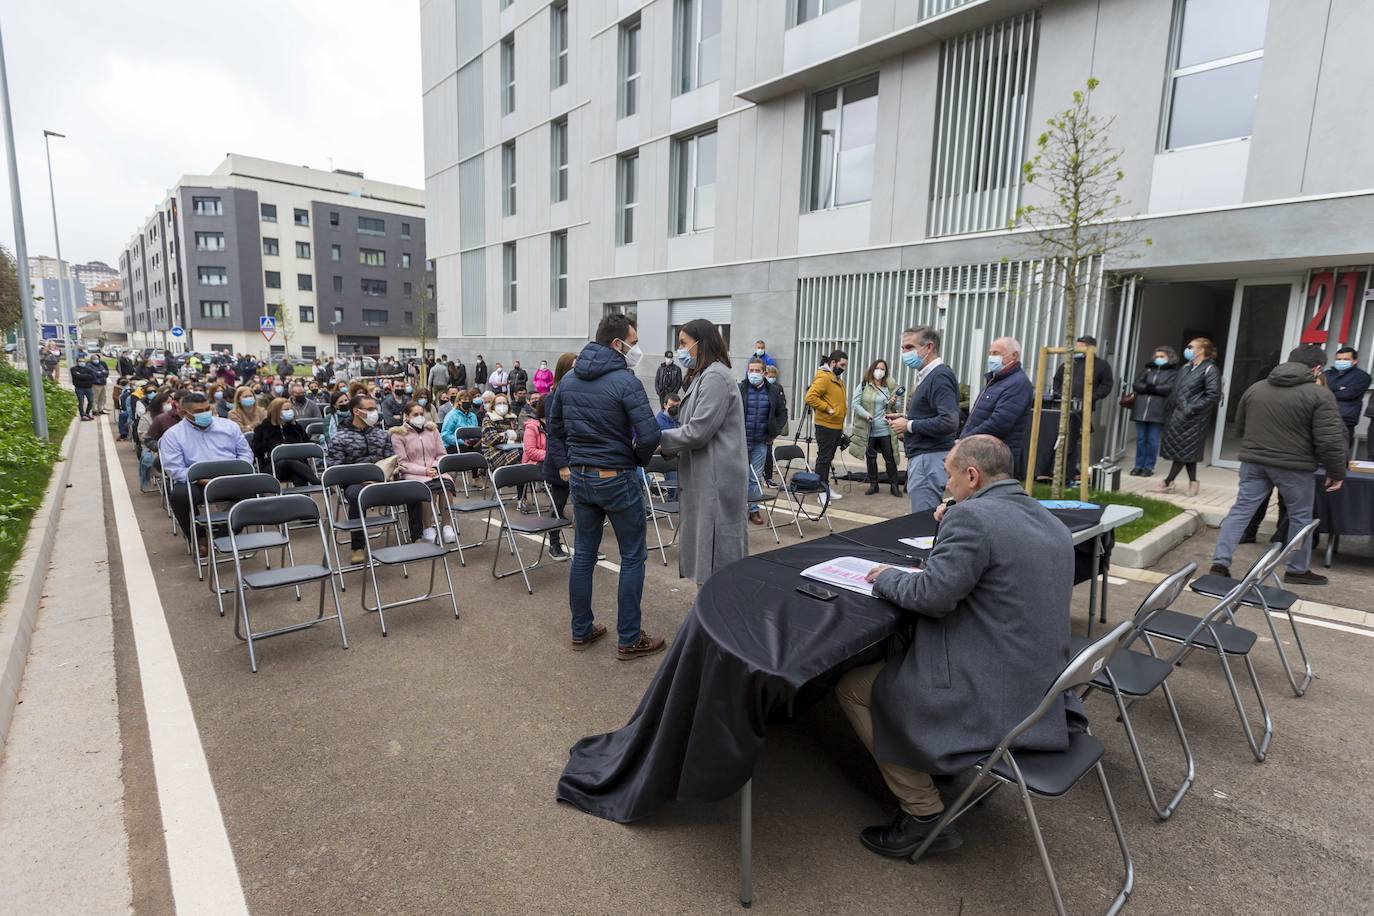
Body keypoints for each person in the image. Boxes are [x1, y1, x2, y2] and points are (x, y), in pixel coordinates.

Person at [839, 436, 1078, 857]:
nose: (945, 484)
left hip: (992, 689)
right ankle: (933, 759)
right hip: (1042, 685)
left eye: (949, 474)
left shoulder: (972, 519)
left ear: (972, 475)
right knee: (901, 655)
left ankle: (922, 814)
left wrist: (884, 576)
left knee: (855, 687)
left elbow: (933, 596)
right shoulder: (1048, 520)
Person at [548, 313, 664, 659]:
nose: (636, 347)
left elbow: (555, 431)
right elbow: (650, 435)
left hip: (581, 478)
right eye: (634, 340)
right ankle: (629, 638)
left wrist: (570, 461)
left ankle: (581, 629)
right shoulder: (626, 382)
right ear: (618, 344)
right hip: (616, 476)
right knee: (632, 556)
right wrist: (635, 460)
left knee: (583, 554)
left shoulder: (568, 381)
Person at [1209, 345, 1346, 586]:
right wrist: (1336, 471)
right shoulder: (1320, 395)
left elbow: (1240, 425)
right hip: (1295, 466)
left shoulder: (1257, 388)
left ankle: (1219, 564)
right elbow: (1329, 440)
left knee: (1241, 510)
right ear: (1317, 369)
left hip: (1254, 462)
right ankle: (1296, 569)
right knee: (1301, 517)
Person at [660, 320, 750, 579]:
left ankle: (716, 613)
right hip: (706, 475)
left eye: (683, 343)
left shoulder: (715, 377)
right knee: (708, 551)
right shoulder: (704, 376)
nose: (680, 350)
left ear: (701, 343)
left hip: (716, 477)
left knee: (716, 555)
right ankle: (709, 611)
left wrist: (661, 440)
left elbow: (699, 430)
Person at [158, 393, 253, 549]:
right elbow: (175, 469)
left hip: (231, 479)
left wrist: (237, 473)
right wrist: (201, 480)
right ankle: (198, 537)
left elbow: (245, 454)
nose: (205, 414)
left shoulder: (228, 426)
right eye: (198, 411)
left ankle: (224, 535)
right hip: (200, 483)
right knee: (178, 495)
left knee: (254, 489)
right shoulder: (173, 436)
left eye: (207, 409)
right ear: (183, 413)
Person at [326, 394, 408, 564]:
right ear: (356, 411)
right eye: (370, 410)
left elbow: (391, 459)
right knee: (357, 496)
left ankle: (417, 537)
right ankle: (357, 547)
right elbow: (336, 470)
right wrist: (364, 480)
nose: (374, 413)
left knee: (413, 488)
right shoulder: (340, 438)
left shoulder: (381, 435)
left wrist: (391, 473)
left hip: (382, 479)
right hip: (356, 483)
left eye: (375, 409)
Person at [887, 326, 960, 512]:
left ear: (928, 347)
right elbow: (932, 413)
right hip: (924, 457)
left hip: (929, 459)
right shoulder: (928, 376)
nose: (904, 353)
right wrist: (906, 418)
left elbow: (949, 421)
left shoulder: (939, 376)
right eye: (903, 348)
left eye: (909, 347)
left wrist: (909, 425)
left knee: (922, 522)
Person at [1154, 337, 1222, 496]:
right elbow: (1176, 391)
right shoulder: (1186, 367)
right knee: (1185, 450)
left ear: (1201, 350)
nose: (1188, 349)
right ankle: (1193, 482)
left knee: (1183, 450)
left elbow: (1213, 395)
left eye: (1191, 347)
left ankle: (1168, 482)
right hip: (1177, 416)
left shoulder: (1210, 369)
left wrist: (1190, 409)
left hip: (1193, 418)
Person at [960, 336, 1034, 481]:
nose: (991, 357)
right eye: (990, 353)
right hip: (982, 454)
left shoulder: (1017, 384)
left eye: (996, 353)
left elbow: (1000, 422)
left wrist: (966, 440)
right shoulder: (997, 380)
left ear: (1014, 356)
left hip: (997, 459)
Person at [391, 400, 456, 544]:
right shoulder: (398, 435)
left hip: (435, 469)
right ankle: (427, 527)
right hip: (413, 473)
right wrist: (424, 471)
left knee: (447, 486)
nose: (420, 416)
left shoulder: (432, 430)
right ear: (406, 416)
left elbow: (441, 454)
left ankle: (446, 525)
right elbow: (402, 462)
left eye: (422, 414)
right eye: (415, 414)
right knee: (429, 489)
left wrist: (436, 466)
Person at [738, 357, 786, 524]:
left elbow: (782, 413)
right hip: (741, 443)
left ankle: (754, 510)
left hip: (761, 442)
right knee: (740, 476)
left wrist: (775, 432)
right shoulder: (741, 388)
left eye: (757, 370)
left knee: (754, 477)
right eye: (751, 370)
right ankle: (738, 510)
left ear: (764, 373)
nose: (754, 373)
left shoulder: (773, 391)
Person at [539, 352, 577, 560]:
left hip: (578, 460)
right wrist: (563, 465)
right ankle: (554, 544)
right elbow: (554, 436)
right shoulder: (554, 396)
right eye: (573, 367)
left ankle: (584, 548)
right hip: (560, 463)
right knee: (558, 505)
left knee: (583, 508)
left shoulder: (577, 395)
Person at [849, 358, 901, 497]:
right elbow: (855, 403)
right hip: (869, 429)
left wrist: (894, 402)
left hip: (885, 428)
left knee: (889, 457)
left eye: (883, 369)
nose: (880, 371)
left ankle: (894, 485)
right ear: (872, 369)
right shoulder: (864, 385)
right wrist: (866, 415)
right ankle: (873, 484)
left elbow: (898, 407)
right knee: (870, 458)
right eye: (878, 368)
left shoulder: (889, 386)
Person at [804, 349, 849, 504]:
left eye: (845, 366)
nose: (843, 368)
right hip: (826, 426)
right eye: (842, 365)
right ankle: (821, 491)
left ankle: (825, 487)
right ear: (833, 362)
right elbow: (810, 397)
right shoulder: (824, 378)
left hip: (835, 426)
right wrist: (829, 409)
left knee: (828, 458)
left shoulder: (834, 378)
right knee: (823, 459)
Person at [1128, 346, 1179, 477]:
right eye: (1157, 356)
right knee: (1140, 440)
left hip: (1158, 411)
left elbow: (1168, 389)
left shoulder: (1173, 373)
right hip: (1141, 410)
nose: (1158, 359)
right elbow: (1136, 384)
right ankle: (1138, 466)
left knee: (1152, 440)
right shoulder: (1148, 369)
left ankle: (1148, 467)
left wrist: (1148, 388)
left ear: (1169, 357)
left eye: (1162, 356)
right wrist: (1154, 388)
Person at [252, 397, 319, 486]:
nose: (290, 411)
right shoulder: (263, 429)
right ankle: (316, 481)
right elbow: (257, 450)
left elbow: (306, 443)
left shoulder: (296, 427)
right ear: (276, 412)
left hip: (298, 466)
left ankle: (303, 498)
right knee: (287, 460)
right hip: (273, 467)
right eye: (286, 409)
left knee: (298, 475)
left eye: (290, 409)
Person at [1326, 347, 1370, 454]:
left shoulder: (1361, 377)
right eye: (1339, 359)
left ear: (1355, 361)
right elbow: (1317, 391)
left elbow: (1348, 394)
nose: (1341, 362)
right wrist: (1338, 389)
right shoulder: (1327, 374)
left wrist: (1328, 391)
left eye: (1345, 359)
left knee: (1339, 450)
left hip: (1345, 418)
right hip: (1324, 415)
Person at [480, 392, 523, 471]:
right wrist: (511, 435)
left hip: (512, 448)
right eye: (499, 403)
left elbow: (521, 434)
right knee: (520, 453)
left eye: (504, 403)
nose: (502, 405)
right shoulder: (488, 418)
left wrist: (504, 435)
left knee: (526, 452)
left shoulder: (512, 418)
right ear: (493, 406)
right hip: (493, 452)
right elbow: (493, 439)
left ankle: (523, 481)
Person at [761, 365, 787, 486]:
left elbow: (781, 408)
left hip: (770, 427)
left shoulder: (777, 388)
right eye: (769, 376)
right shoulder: (760, 388)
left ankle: (768, 477)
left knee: (768, 452)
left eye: (773, 376)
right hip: (759, 426)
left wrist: (776, 429)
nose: (771, 378)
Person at [70, 356, 97, 420]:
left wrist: (82, 375)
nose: (82, 362)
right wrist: (86, 376)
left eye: (83, 361)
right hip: (79, 388)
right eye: (80, 361)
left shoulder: (89, 369)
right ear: (77, 362)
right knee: (81, 402)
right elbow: (77, 376)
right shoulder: (73, 369)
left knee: (91, 401)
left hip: (88, 387)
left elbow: (93, 376)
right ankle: (82, 415)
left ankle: (87, 413)